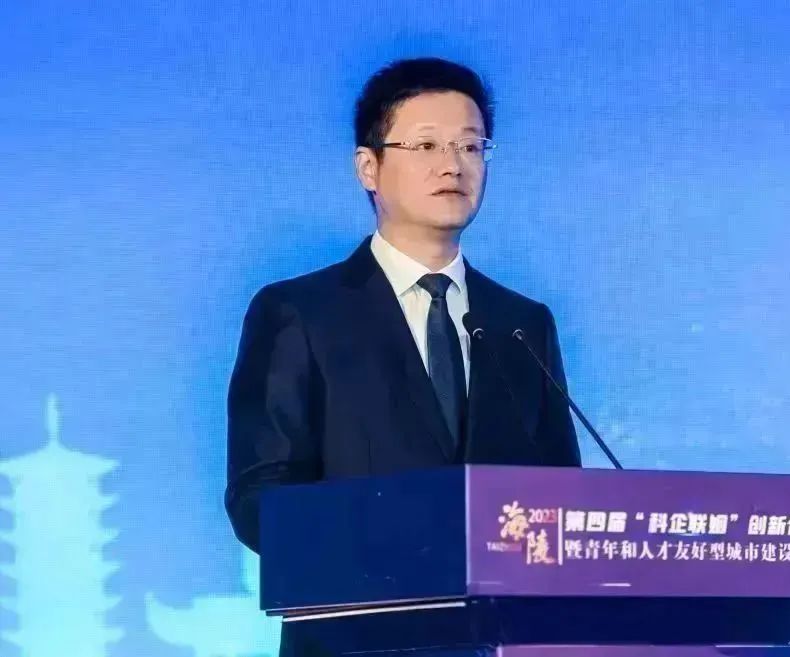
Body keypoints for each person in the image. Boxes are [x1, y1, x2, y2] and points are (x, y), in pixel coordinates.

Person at [224, 57, 581, 656]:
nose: (453, 164)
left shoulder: (523, 325)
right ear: (369, 167)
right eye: (426, 145)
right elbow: (260, 498)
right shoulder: (300, 313)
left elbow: (561, 498)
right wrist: (392, 543)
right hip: (357, 641)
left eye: (471, 146)